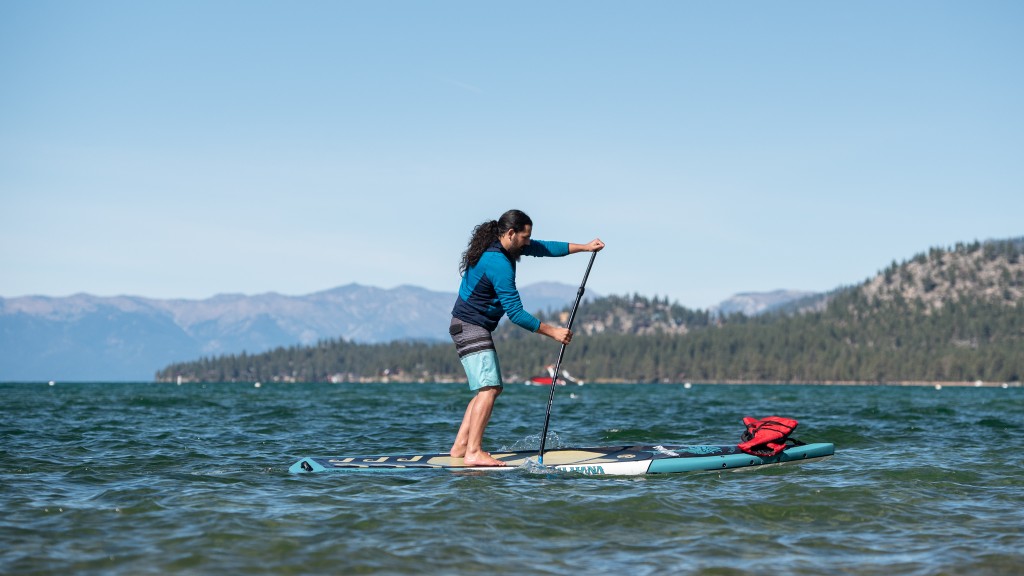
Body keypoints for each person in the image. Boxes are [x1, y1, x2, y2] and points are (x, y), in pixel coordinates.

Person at [448, 209, 604, 466]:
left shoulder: (503, 247)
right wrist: (553, 331)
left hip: (467, 325)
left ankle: (461, 447)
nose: (528, 242)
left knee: (486, 389)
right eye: (525, 237)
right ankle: (473, 452)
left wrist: (585, 248)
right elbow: (516, 314)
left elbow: (544, 248)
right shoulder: (498, 262)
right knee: (489, 388)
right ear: (511, 234)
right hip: (469, 325)